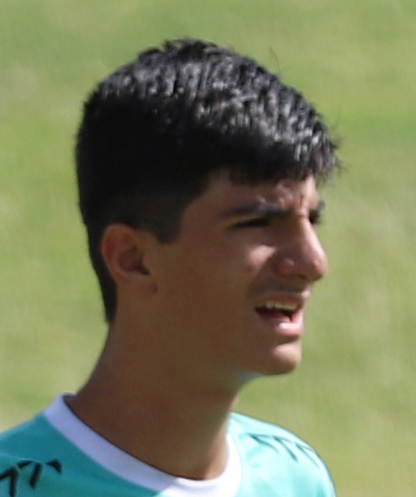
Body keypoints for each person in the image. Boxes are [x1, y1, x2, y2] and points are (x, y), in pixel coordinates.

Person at [0, 39, 340, 496]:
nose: (313, 263)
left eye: (311, 220)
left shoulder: (294, 479)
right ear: (134, 259)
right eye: (257, 223)